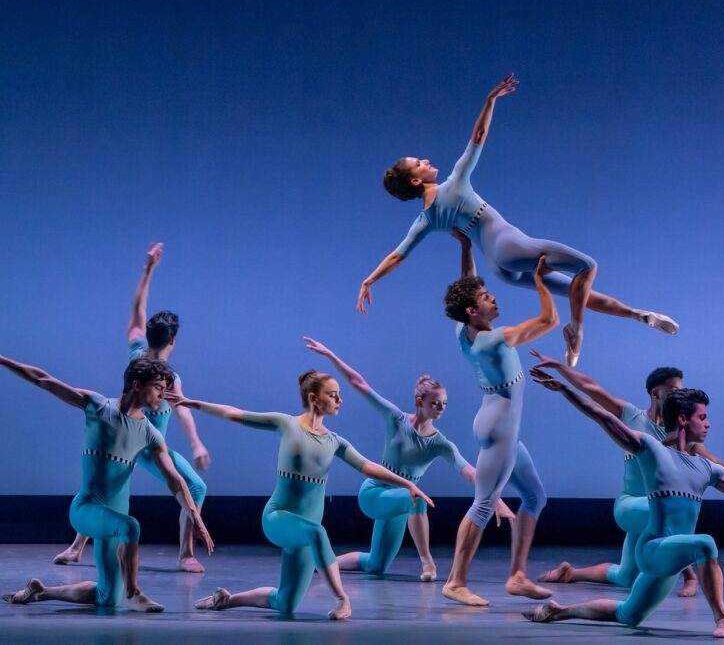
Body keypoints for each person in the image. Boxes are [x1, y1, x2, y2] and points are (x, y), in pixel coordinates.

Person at [357, 75, 678, 367]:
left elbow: (398, 255)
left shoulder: (426, 220)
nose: (426, 161)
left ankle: (640, 315)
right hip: (508, 246)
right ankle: (576, 331)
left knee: (577, 291)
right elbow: (478, 137)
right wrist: (490, 101)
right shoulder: (454, 183)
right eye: (419, 163)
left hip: (501, 267)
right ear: (415, 181)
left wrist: (369, 280)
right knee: (587, 267)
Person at [524, 380, 724, 638]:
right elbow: (604, 417)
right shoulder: (652, 450)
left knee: (629, 614)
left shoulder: (706, 468)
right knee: (706, 543)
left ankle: (558, 611)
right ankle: (722, 617)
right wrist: (566, 391)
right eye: (703, 417)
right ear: (683, 419)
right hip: (654, 548)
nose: (708, 424)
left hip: (673, 556)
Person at [175, 370, 432, 620]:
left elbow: (368, 466)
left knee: (285, 603)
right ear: (313, 398)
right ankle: (342, 599)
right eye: (333, 395)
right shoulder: (286, 424)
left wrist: (408, 485)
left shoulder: (335, 441)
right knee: (317, 532)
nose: (340, 400)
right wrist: (195, 404)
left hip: (303, 530)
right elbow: (235, 414)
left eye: (339, 395)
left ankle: (227, 600)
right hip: (278, 518)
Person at [0, 355, 213, 612]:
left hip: (113, 522)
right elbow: (42, 379)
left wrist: (197, 519)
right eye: (158, 387)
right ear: (136, 385)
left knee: (108, 597)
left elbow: (175, 480)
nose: (163, 395)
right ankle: (133, 593)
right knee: (131, 526)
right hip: (87, 510)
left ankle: (40, 592)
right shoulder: (98, 406)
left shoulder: (150, 433)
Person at [531, 357, 724, 597]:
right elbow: (592, 389)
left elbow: (718, 464)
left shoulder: (681, 433)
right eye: (676, 389)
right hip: (631, 505)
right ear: (656, 393)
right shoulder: (632, 416)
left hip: (651, 512)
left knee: (627, 576)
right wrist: (560, 368)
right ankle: (690, 575)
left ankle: (571, 573)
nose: (682, 394)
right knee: (672, 512)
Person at [54, 242, 212, 572]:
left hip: (132, 440)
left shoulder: (136, 351)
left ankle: (76, 546)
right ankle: (186, 553)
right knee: (194, 487)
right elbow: (182, 409)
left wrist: (149, 267)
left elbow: (138, 307)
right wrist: (197, 443)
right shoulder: (168, 378)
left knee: (105, 488)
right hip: (144, 444)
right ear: (173, 341)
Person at [303, 337, 514, 581]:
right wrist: (331, 355)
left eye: (444, 404)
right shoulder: (396, 419)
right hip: (375, 493)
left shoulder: (440, 443)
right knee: (417, 500)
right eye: (434, 403)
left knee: (375, 565)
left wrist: (494, 498)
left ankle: (321, 563)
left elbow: (468, 471)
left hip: (399, 501)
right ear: (419, 402)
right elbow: (359, 383)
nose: (440, 408)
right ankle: (428, 564)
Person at [440, 235, 555, 606]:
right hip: (500, 428)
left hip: (501, 422)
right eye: (486, 298)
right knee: (485, 503)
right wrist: (541, 280)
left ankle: (518, 576)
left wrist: (465, 248)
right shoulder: (497, 341)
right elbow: (549, 319)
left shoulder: (465, 331)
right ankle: (455, 581)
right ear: (473, 311)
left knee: (535, 496)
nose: (492, 297)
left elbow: (467, 287)